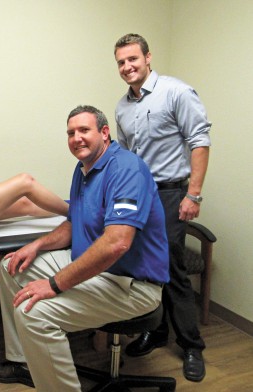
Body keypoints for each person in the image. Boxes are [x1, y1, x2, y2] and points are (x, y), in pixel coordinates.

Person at [0, 105, 169, 391]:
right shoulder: (83, 169)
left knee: (34, 314)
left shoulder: (127, 169)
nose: (76, 138)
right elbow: (75, 222)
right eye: (71, 133)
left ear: (104, 133)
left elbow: (117, 243)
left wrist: (54, 284)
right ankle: (25, 363)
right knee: (12, 266)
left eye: (84, 130)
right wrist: (36, 245)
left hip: (131, 284)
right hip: (95, 266)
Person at [114, 33, 211, 382]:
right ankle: (156, 332)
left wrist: (193, 195)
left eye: (133, 60)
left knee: (170, 266)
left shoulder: (176, 92)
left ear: (148, 58)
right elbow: (126, 156)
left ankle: (192, 346)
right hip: (138, 196)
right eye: (121, 62)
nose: (127, 67)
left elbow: (199, 140)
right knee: (142, 264)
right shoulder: (122, 107)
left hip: (171, 194)